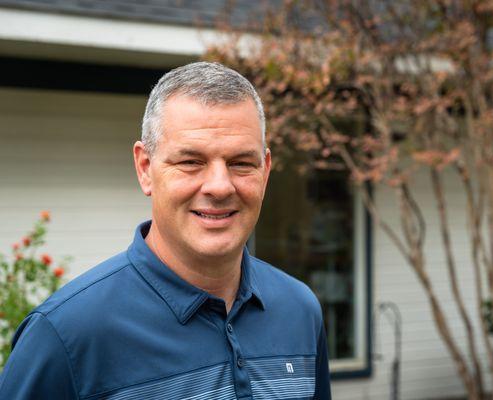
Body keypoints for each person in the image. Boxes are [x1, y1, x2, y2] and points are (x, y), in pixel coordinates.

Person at [0, 62, 331, 400]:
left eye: (241, 163)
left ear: (266, 170)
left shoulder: (299, 310)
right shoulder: (65, 335)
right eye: (190, 162)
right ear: (145, 168)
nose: (219, 186)